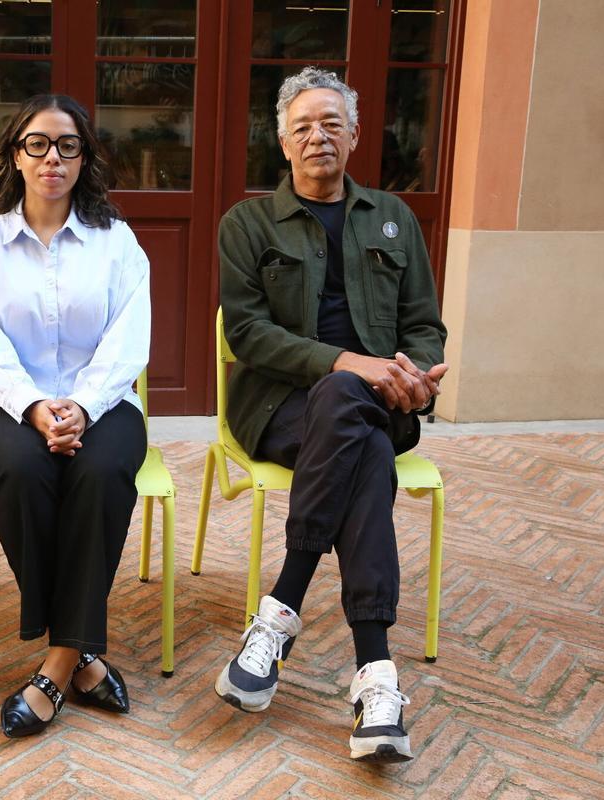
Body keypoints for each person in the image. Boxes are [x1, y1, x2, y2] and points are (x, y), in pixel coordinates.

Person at [213, 68, 448, 763]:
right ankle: (376, 677)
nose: (318, 137)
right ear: (282, 143)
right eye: (302, 126)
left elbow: (425, 325)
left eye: (330, 123)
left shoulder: (393, 218)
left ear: (355, 134)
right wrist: (355, 366)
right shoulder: (248, 224)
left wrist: (415, 377)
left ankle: (280, 612)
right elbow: (248, 335)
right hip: (280, 406)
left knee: (355, 415)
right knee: (360, 435)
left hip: (383, 402)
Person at [0, 94, 151, 738]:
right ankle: (85, 653)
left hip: (106, 401)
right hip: (6, 403)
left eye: (67, 145)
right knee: (17, 467)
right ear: (15, 154)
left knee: (101, 472)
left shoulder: (116, 242)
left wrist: (84, 406)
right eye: (36, 143)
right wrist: (35, 407)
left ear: (84, 157)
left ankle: (59, 662)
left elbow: (128, 339)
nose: (51, 158)